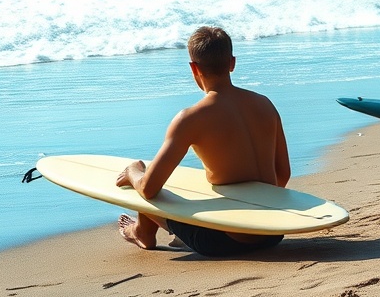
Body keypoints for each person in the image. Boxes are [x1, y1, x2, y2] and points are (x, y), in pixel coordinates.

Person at [116, 26, 291, 255]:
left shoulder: (191, 118)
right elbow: (283, 174)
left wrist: (132, 172)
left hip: (223, 240)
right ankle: (172, 231)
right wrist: (252, 206)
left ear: (194, 68)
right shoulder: (265, 104)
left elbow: (149, 189)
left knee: (146, 180)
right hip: (273, 232)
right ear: (232, 63)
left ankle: (142, 231)